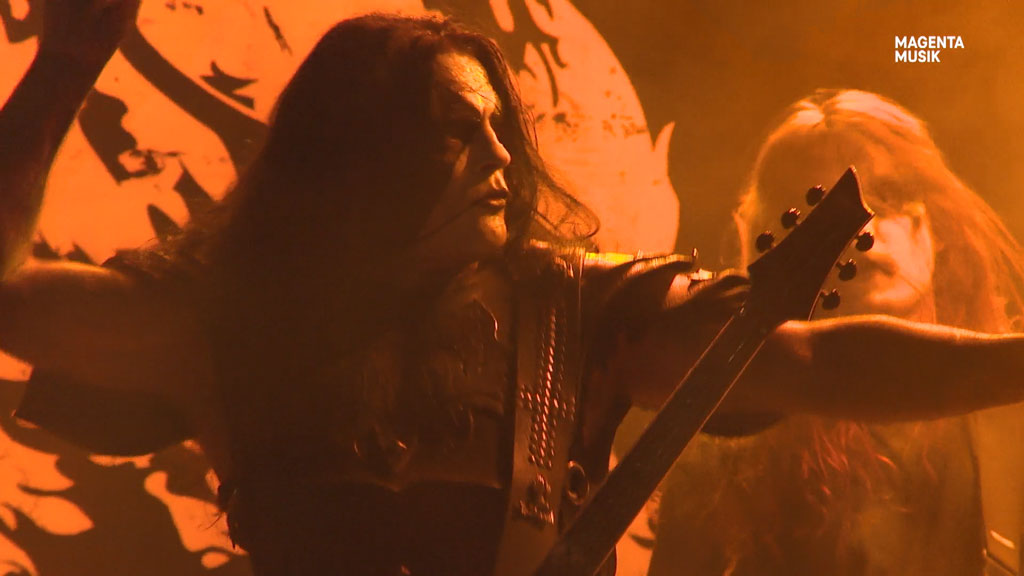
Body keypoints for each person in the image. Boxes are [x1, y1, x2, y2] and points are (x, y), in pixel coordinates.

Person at [6, 4, 1024, 575]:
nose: (501, 155)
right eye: (459, 130)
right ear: (357, 153)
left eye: (502, 128)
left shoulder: (577, 311)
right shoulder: (227, 323)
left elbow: (813, 362)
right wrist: (64, 67)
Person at [647, 89, 1024, 576]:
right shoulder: (724, 445)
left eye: (886, 196)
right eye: (815, 207)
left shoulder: (1008, 424)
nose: (861, 228)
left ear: (930, 225)